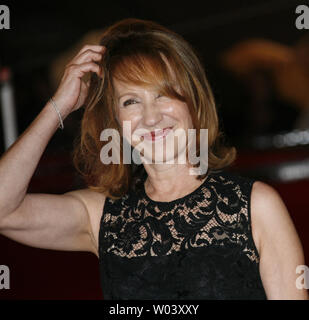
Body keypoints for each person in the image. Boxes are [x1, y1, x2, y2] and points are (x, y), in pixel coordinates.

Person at [0, 18, 307, 300]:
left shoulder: (256, 206)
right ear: (116, 121)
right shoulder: (101, 215)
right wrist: (59, 105)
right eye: (131, 101)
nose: (150, 116)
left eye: (162, 94)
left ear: (193, 101)